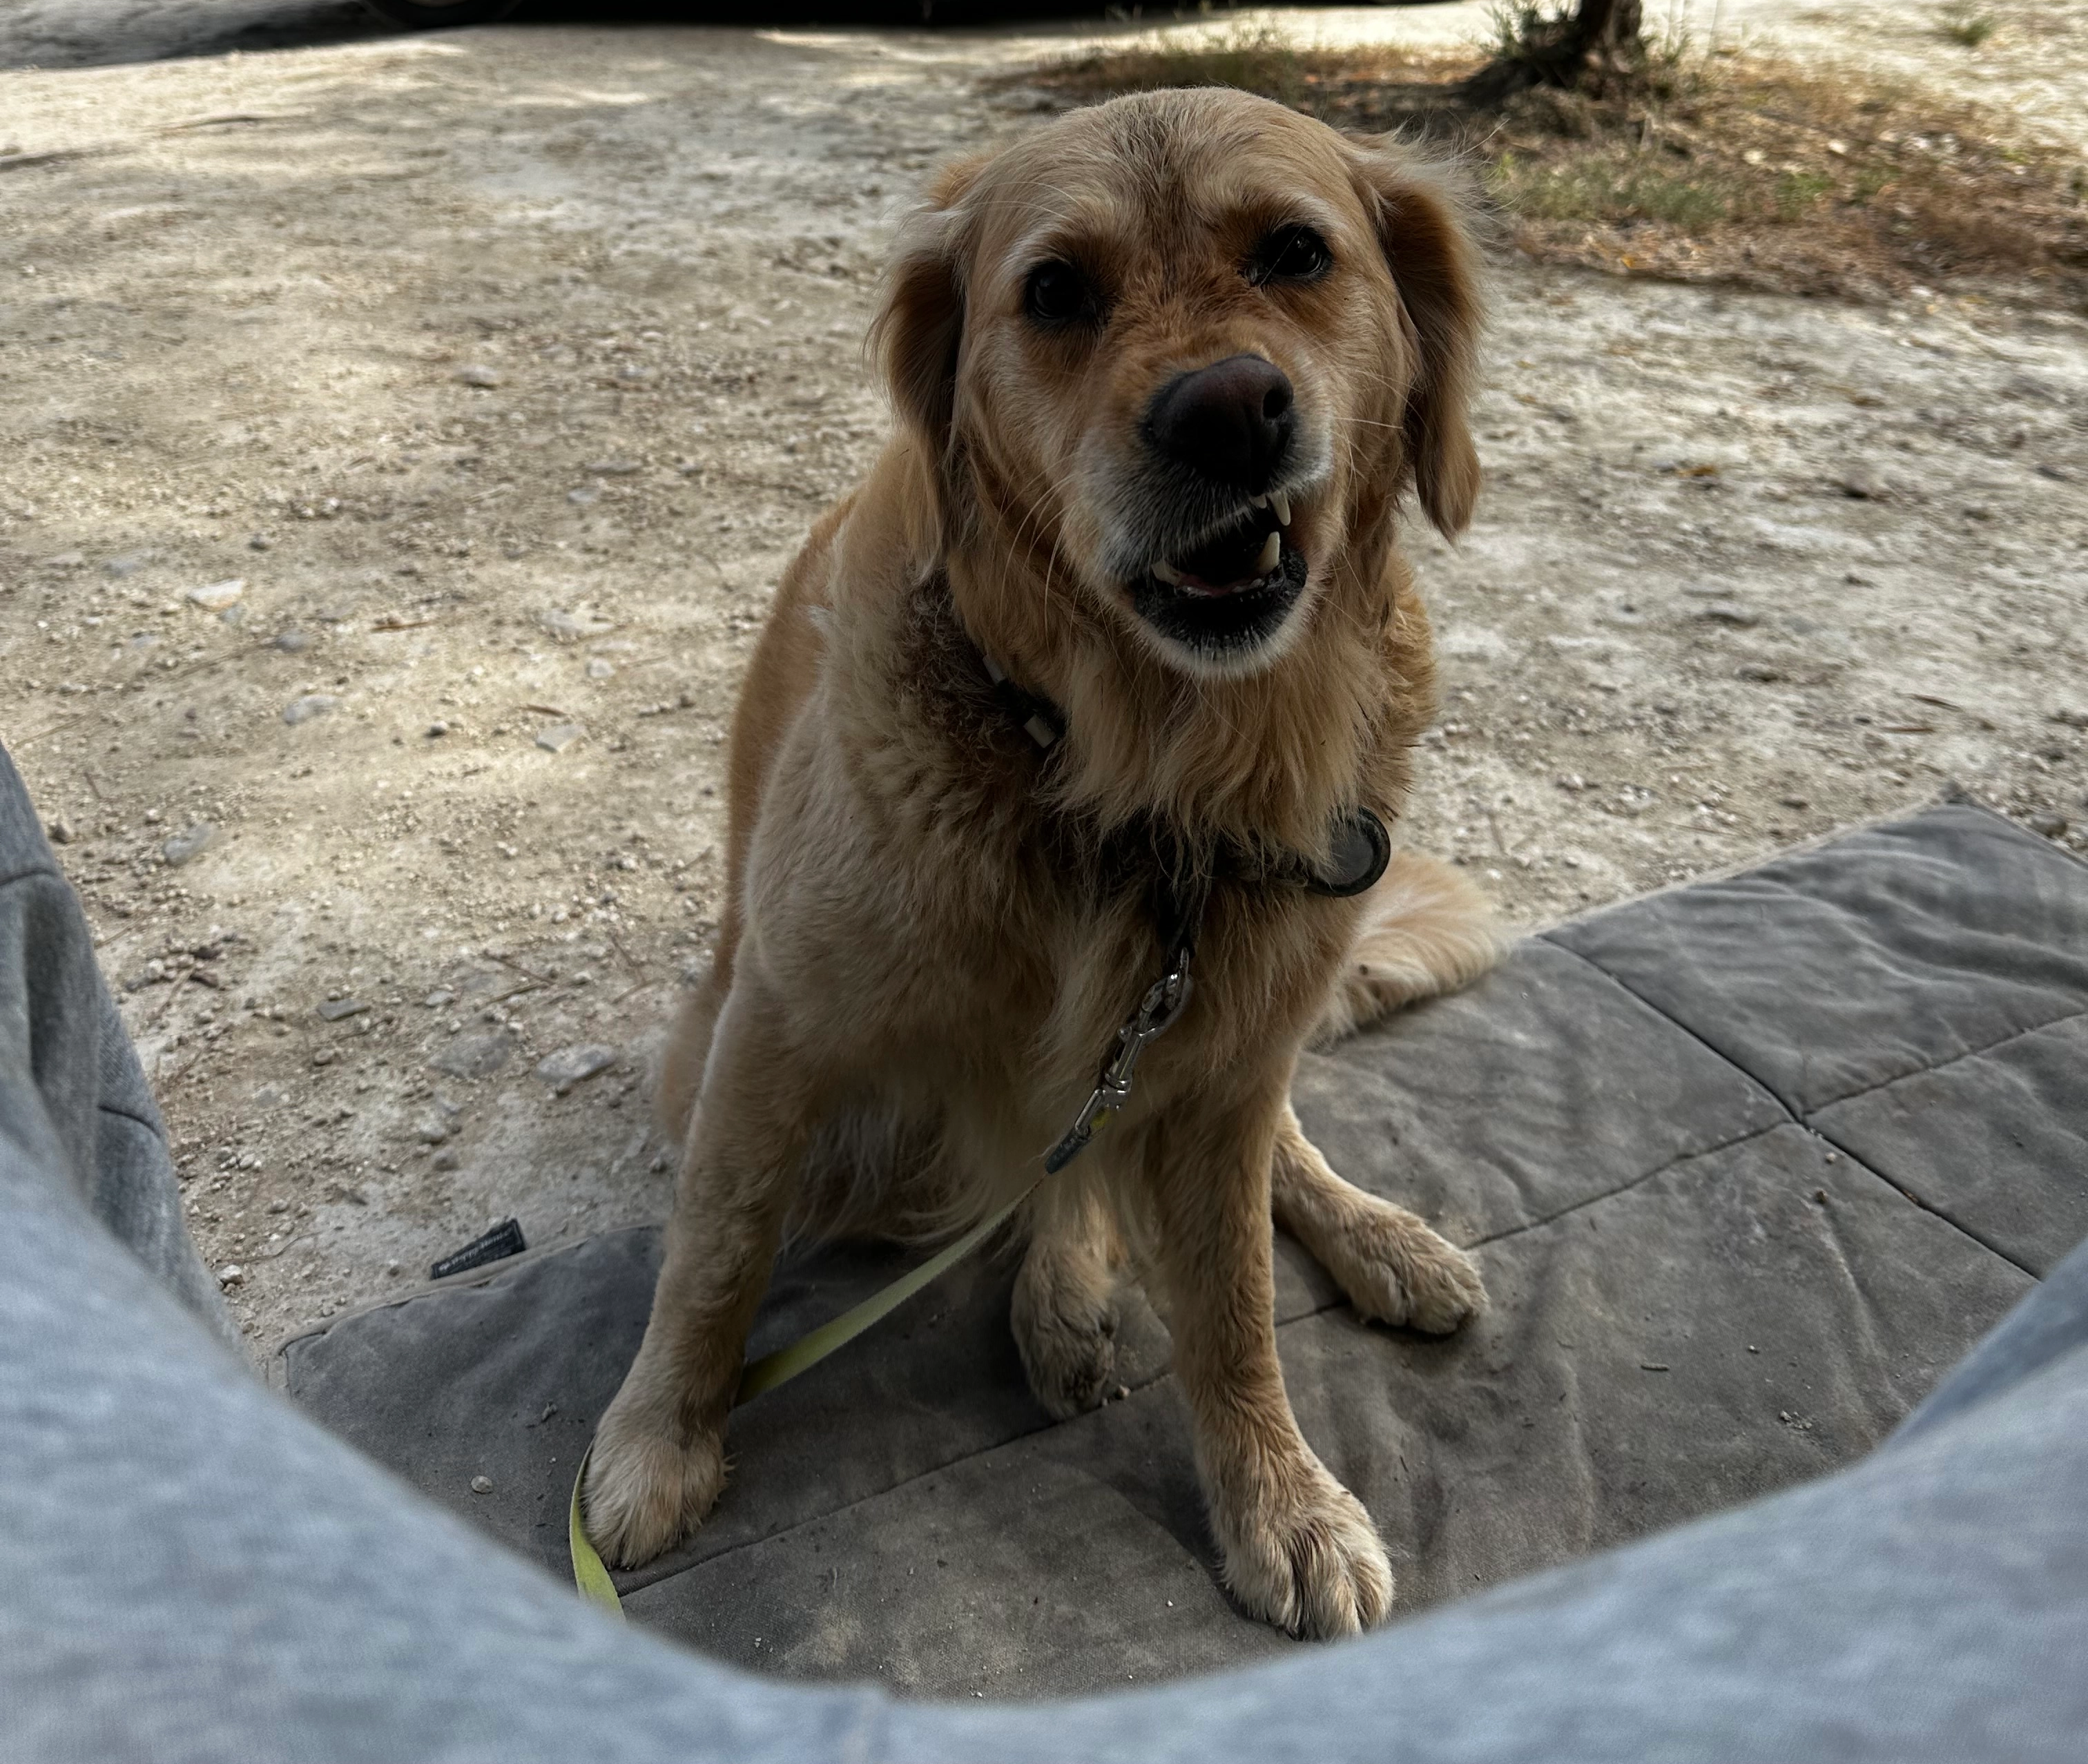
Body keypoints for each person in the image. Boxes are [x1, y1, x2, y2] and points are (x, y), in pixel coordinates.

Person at [4, 737, 2085, 1763]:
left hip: (1168, 1083)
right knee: (853, 1102)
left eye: (1289, 265)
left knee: (1232, 1047)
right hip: (905, 1091)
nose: (1215, 369)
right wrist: (676, 1378)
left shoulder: (1324, 699)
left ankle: (1283, 1210)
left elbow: (1214, 1042)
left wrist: (1244, 1411)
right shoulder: (895, 676)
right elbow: (756, 1050)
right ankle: (1047, 1236)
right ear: (962, 386)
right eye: (1070, 302)